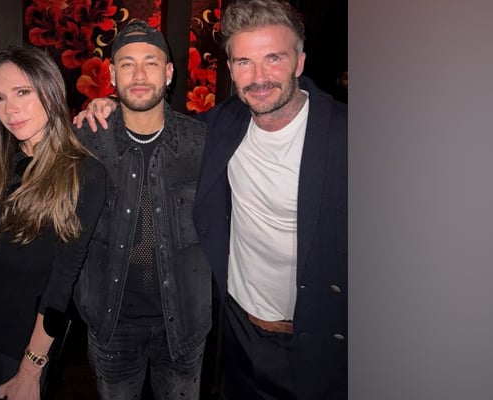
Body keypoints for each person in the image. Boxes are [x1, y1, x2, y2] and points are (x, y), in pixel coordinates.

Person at [74, 1, 347, 398]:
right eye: (243, 62)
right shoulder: (221, 127)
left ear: (299, 62)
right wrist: (113, 106)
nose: (258, 77)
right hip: (237, 334)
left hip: (319, 341)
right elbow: (156, 123)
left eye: (273, 58)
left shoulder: (347, 135)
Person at [0, 20, 212, 400]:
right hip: (111, 324)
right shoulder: (89, 136)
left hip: (185, 325)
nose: (139, 75)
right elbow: (20, 135)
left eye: (151, 63)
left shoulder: (202, 142)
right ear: (110, 74)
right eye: (126, 64)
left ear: (170, 72)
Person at [0, 45, 107, 400]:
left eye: (22, 92)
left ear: (49, 91)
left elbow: (60, 283)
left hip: (30, 347)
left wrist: (31, 370)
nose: (10, 109)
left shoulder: (85, 174)